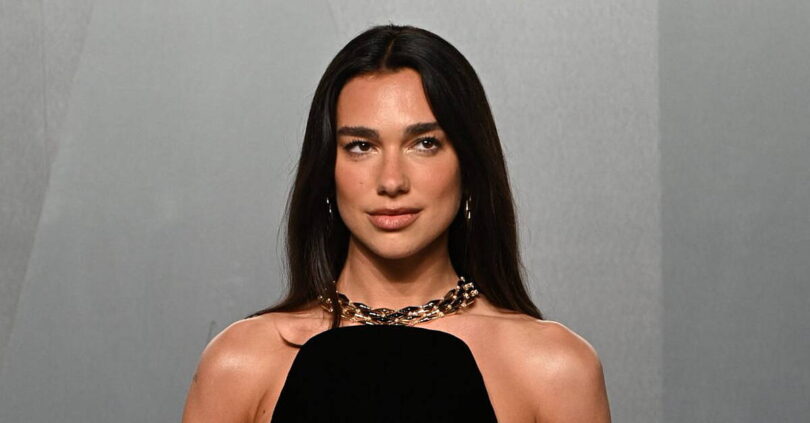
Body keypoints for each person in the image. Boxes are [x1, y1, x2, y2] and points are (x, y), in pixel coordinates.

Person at [181, 24, 611, 423]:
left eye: (424, 144)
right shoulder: (241, 364)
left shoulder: (554, 369)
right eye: (361, 146)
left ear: (469, 164)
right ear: (327, 169)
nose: (391, 181)